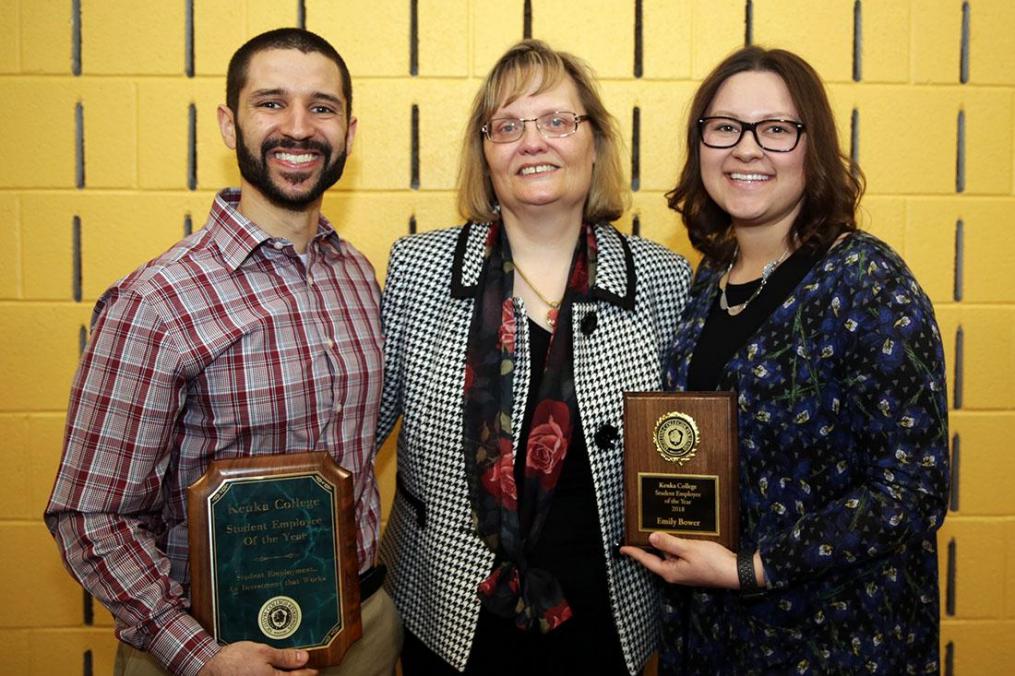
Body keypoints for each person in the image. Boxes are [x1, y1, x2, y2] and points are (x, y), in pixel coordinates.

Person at [44, 28, 401, 676]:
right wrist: (199, 656)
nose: (298, 127)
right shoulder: (157, 300)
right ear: (228, 123)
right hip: (213, 648)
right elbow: (89, 513)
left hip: (361, 634)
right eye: (271, 103)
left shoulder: (358, 276)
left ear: (348, 130)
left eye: (321, 107)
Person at [621, 46, 949, 674]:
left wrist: (752, 567)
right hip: (711, 639)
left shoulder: (864, 280)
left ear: (812, 146)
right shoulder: (709, 281)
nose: (746, 149)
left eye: (775, 129)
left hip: (836, 644)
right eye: (724, 128)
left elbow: (913, 489)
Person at [376, 39, 691, 676]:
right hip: (449, 617)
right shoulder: (417, 269)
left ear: (595, 142)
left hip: (606, 616)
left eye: (556, 121)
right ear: (484, 152)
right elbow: (356, 430)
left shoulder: (663, 279)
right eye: (508, 126)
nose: (532, 141)